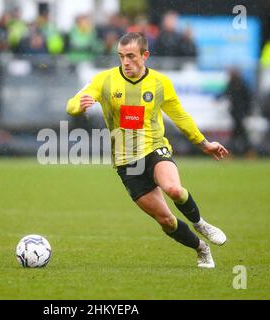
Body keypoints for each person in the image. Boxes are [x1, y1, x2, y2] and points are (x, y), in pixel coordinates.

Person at [66, 32, 228, 268]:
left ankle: (200, 222)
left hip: (155, 148)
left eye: (131, 56)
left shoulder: (161, 83)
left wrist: (204, 143)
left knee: (173, 189)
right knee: (166, 221)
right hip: (126, 161)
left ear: (145, 55)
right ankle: (201, 249)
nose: (126, 62)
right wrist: (77, 107)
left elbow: (180, 116)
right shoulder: (105, 80)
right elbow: (72, 103)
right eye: (121, 56)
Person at [219, 68, 252, 155]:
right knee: (240, 133)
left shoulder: (240, 85)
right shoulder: (234, 84)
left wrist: (246, 110)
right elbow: (225, 93)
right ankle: (248, 151)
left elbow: (248, 99)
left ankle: (232, 151)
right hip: (236, 112)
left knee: (238, 133)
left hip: (239, 112)